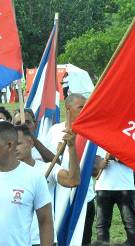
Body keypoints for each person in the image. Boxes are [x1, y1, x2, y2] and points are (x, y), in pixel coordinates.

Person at [15, 124, 80, 245]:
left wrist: (71, 148)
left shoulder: (48, 168)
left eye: (18, 144)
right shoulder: (5, 174)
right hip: (16, 241)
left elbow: (73, 181)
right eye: (10, 144)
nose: (14, 148)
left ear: (30, 142)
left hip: (43, 241)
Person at [44, 93, 96, 245]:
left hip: (84, 197)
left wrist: (76, 151)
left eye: (86, 107)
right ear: (68, 108)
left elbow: (96, 169)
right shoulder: (55, 130)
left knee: (81, 240)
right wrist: (57, 154)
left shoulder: (91, 132)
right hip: (57, 197)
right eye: (81, 107)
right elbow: (46, 162)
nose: (85, 110)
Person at [95, 148, 135, 246]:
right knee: (102, 226)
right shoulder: (99, 137)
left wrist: (116, 157)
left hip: (125, 187)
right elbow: (94, 160)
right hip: (103, 188)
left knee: (131, 225)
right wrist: (99, 164)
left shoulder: (128, 138)